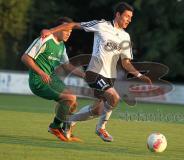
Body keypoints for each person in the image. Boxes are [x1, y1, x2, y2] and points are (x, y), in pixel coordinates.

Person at [42, 2, 152, 142]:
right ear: (118, 15)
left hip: (109, 77)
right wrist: (50, 31)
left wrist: (139, 75)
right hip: (95, 73)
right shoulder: (101, 25)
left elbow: (125, 62)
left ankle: (68, 121)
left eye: (131, 17)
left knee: (97, 110)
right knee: (114, 97)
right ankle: (101, 128)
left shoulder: (126, 37)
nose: (129, 20)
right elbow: (74, 25)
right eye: (127, 16)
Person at [21, 17, 85, 142]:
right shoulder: (44, 39)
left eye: (70, 32)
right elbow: (25, 58)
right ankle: (55, 127)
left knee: (73, 102)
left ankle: (65, 130)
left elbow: (67, 65)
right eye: (66, 30)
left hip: (51, 79)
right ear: (58, 29)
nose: (68, 34)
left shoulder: (61, 46)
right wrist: (41, 73)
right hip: (38, 80)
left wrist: (85, 75)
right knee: (70, 98)